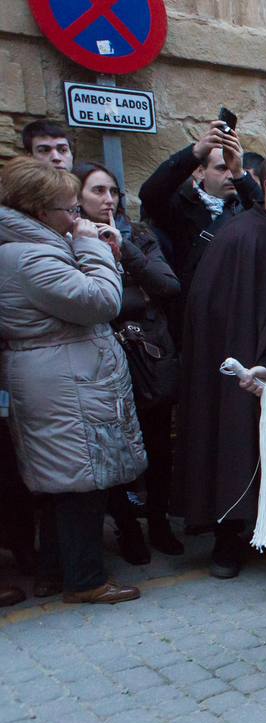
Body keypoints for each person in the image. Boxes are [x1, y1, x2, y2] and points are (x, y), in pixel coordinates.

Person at [0, 156, 143, 604]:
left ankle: (56, 571)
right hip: (63, 381)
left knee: (63, 481)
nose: (77, 218)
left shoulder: (26, 248)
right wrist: (93, 247)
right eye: (71, 210)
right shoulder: (30, 256)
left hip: (63, 376)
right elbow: (101, 300)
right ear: (40, 212)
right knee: (80, 481)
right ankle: (85, 581)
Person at [175, 152, 266, 579]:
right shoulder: (238, 236)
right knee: (235, 447)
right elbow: (214, 308)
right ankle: (228, 540)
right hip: (244, 366)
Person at [75, 162, 184, 563]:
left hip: (147, 356)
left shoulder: (137, 234)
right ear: (77, 197)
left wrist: (124, 248)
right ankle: (126, 527)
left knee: (157, 444)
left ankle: (157, 522)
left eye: (113, 192)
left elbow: (167, 285)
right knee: (113, 447)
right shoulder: (66, 239)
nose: (108, 200)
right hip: (101, 357)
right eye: (97, 192)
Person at [138, 120, 262, 311]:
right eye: (222, 168)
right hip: (187, 311)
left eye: (232, 167)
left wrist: (240, 173)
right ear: (200, 171)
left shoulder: (245, 209)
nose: (229, 174)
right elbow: (150, 193)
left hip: (234, 310)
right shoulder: (179, 206)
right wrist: (195, 152)